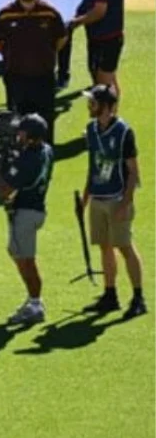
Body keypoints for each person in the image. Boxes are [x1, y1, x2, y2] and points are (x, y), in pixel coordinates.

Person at [0, 114, 53, 325]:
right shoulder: (45, 150)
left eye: (22, 131)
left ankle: (35, 305)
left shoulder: (28, 160)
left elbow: (5, 191)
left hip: (26, 213)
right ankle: (33, 301)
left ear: (31, 137)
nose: (18, 134)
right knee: (17, 253)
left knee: (26, 260)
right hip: (34, 209)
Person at [81, 85, 146, 318]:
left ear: (106, 106)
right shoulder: (91, 129)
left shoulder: (124, 132)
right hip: (98, 198)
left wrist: (125, 204)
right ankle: (110, 295)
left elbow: (133, 173)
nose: (89, 106)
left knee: (125, 247)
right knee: (105, 246)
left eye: (93, 102)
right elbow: (93, 166)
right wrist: (85, 199)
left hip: (117, 198)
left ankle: (138, 298)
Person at [0, 0, 66, 140]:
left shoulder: (50, 12)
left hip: (43, 77)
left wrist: (47, 54)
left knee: (45, 120)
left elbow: (61, 38)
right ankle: (18, 153)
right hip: (16, 77)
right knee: (16, 121)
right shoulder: (6, 14)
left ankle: (45, 152)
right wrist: (9, 54)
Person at [69, 0, 125, 97]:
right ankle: (112, 110)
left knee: (102, 85)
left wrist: (76, 22)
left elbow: (99, 12)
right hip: (104, 38)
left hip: (105, 39)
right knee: (109, 81)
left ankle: (106, 112)